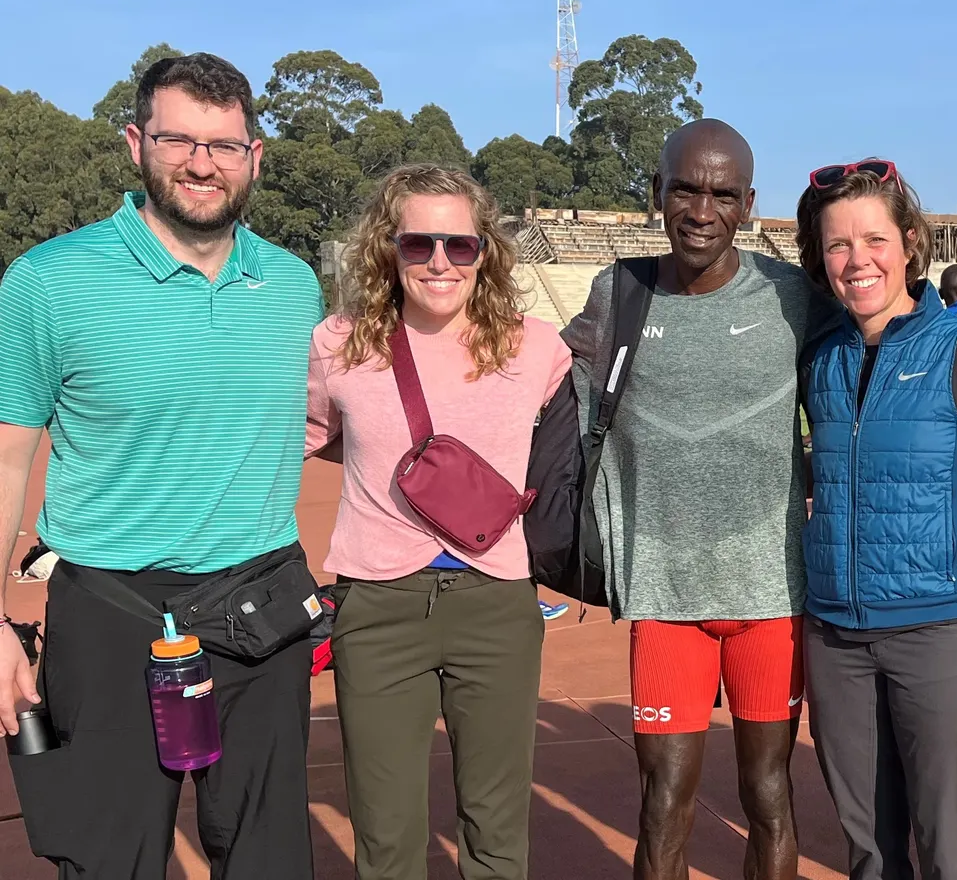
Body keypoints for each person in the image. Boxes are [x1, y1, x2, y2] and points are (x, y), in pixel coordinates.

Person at [560, 123, 957, 880]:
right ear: (657, 193)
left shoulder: (790, 295)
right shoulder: (618, 293)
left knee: (772, 793)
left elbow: (893, 318)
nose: (701, 210)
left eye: (720, 194)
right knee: (663, 797)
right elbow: (531, 370)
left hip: (775, 593)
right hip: (662, 593)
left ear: (747, 203)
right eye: (685, 189)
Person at [0, 53, 323, 878]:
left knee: (269, 857)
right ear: (136, 142)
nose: (201, 163)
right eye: (179, 139)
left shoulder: (291, 287)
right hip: (110, 606)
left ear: (256, 157)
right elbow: (6, 458)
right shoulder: (46, 282)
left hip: (262, 602)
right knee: (110, 858)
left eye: (223, 144)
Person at [307, 165, 570, 879]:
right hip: (378, 605)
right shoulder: (339, 343)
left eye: (461, 245)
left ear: (486, 250)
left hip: (496, 606)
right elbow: (312, 437)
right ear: (386, 248)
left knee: (495, 831)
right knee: (386, 835)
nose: (440, 262)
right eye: (419, 243)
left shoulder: (536, 347)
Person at [795, 160, 957, 879]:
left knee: (952, 845)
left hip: (940, 636)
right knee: (870, 849)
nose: (857, 260)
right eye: (838, 245)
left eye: (873, 239)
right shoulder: (821, 358)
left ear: (908, 243)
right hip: (839, 637)